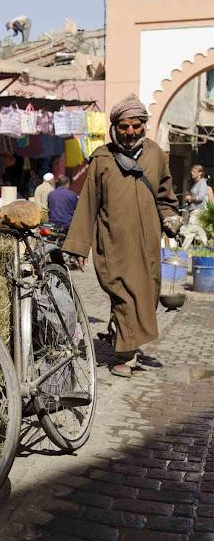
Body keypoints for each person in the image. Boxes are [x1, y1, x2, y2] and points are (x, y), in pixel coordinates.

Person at [62, 93, 180, 378]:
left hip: (148, 243)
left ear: (143, 125)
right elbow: (88, 204)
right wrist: (80, 247)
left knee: (146, 295)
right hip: (113, 242)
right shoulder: (102, 158)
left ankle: (122, 336)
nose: (130, 132)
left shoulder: (156, 155)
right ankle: (124, 355)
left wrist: (171, 218)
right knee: (123, 295)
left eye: (136, 125)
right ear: (116, 126)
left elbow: (165, 197)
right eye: (124, 126)